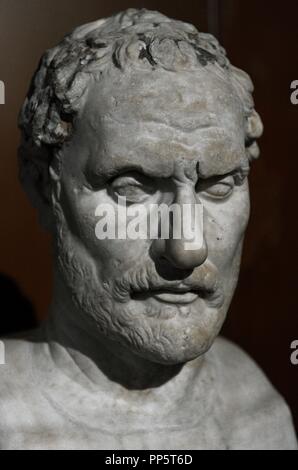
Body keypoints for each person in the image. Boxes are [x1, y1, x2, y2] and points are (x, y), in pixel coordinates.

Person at [0, 8, 296, 449]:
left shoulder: (257, 408)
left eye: (217, 186)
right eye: (132, 188)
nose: (187, 247)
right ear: (44, 187)